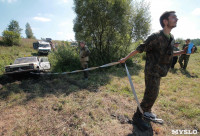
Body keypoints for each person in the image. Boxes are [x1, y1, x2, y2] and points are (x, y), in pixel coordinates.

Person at [119, 11, 189, 131]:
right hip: (151, 71)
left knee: (153, 94)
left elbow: (170, 54)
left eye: (176, 17)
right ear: (165, 21)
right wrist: (125, 59)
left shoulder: (171, 38)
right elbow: (139, 48)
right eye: (173, 17)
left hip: (160, 71)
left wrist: (182, 52)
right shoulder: (155, 37)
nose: (176, 19)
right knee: (150, 95)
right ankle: (137, 117)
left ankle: (147, 111)